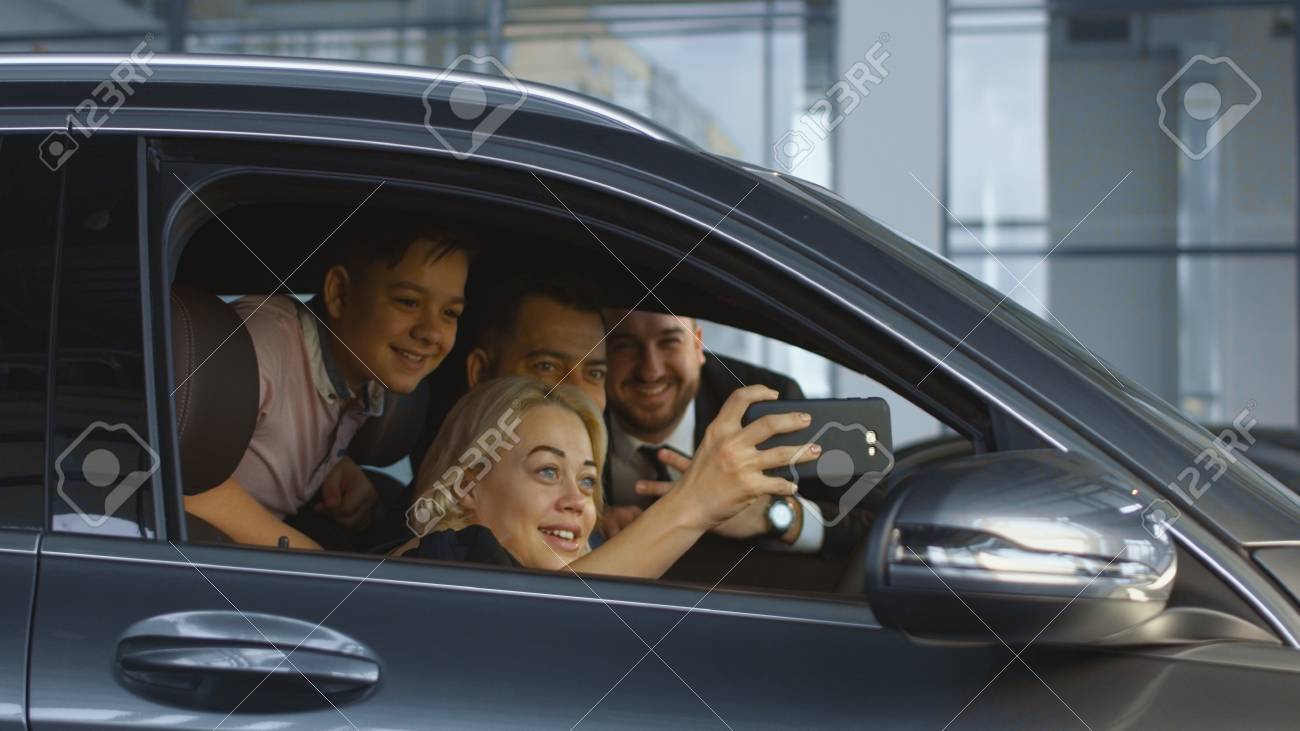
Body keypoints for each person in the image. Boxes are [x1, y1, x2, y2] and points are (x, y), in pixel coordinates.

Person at [183, 210, 475, 549]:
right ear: (338, 293)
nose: (431, 333)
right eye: (408, 302)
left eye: (450, 313)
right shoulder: (260, 349)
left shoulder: (360, 378)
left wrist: (331, 466)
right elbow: (185, 483)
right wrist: (309, 557)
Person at [397, 376, 819, 578]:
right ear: (467, 485)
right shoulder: (427, 565)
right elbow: (550, 616)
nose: (577, 502)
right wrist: (694, 503)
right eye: (547, 471)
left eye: (586, 482)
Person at [601, 310, 871, 561]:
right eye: (624, 346)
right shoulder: (577, 405)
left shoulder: (768, 403)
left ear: (697, 346)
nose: (651, 371)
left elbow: (875, 527)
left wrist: (774, 514)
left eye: (669, 342)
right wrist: (590, 526)